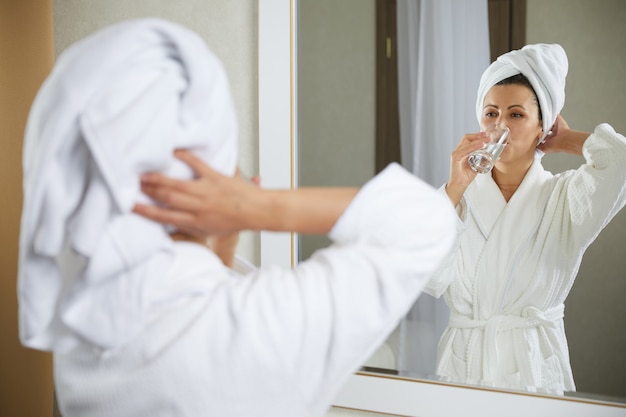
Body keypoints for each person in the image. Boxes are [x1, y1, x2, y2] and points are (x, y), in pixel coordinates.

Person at [18, 18, 456, 417]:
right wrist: (255, 207)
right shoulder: (255, 329)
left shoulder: (81, 326)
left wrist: (223, 237)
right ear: (203, 175)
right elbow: (425, 222)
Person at [421, 44, 626, 394]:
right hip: (466, 363)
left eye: (516, 115)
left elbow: (620, 161)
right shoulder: (458, 199)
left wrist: (568, 141)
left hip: (532, 365)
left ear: (541, 126)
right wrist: (454, 186)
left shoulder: (564, 198)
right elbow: (426, 277)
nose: (499, 125)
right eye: (490, 113)